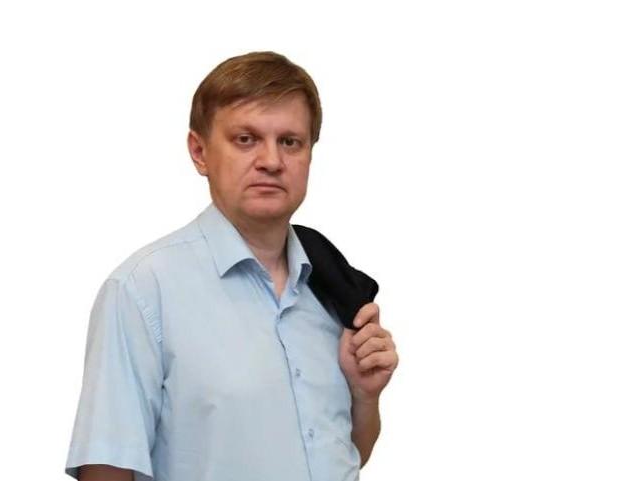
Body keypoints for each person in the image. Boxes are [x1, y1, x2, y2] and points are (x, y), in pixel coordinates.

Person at [64, 51, 398, 481]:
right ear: (199, 152)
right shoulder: (143, 290)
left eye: (290, 142)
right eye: (246, 139)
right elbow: (106, 468)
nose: (271, 161)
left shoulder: (333, 287)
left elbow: (342, 454)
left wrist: (365, 397)